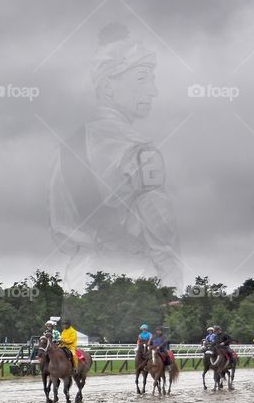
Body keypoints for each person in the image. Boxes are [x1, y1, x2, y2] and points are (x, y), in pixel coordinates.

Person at [49, 23, 182, 294]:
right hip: (133, 288)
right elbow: (163, 243)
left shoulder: (66, 149)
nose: (153, 90)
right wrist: (173, 295)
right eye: (142, 78)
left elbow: (60, 232)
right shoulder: (141, 152)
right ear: (108, 86)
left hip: (77, 285)